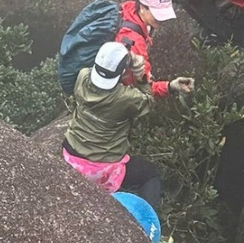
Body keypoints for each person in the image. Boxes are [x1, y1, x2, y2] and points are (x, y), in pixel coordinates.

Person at [62, 40, 174, 211]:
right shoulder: (125, 98)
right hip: (101, 166)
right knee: (150, 174)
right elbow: (148, 101)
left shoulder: (83, 76)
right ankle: (144, 223)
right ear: (122, 72)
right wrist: (141, 76)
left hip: (71, 154)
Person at [118, 0, 194, 100]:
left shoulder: (129, 9)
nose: (162, 19)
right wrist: (170, 87)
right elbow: (144, 89)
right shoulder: (134, 42)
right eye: (157, 13)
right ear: (142, 7)